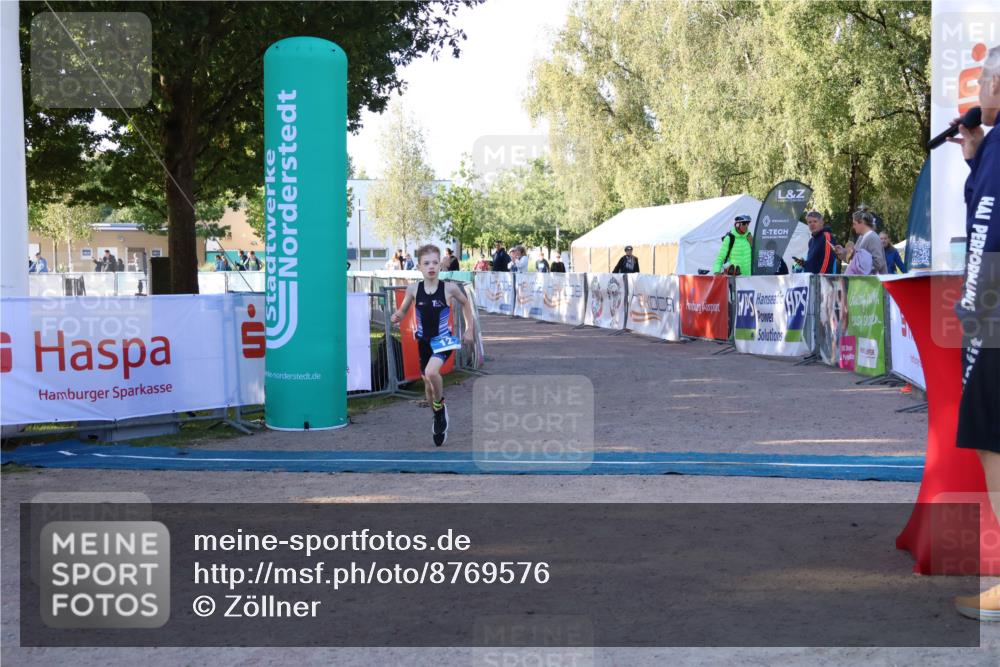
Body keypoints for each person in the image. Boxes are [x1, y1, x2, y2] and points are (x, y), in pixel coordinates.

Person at [949, 44, 1000, 622]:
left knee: (991, 438)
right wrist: (973, 159)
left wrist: (974, 306)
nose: (978, 90)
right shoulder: (992, 148)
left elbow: (986, 228)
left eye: (985, 79)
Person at [390, 244, 475, 447]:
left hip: (444, 340)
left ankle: (440, 404)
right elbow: (402, 311)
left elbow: (465, 303)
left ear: (440, 265)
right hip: (424, 342)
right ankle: (438, 414)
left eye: (435, 262)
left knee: (431, 373)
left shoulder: (449, 288)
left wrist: (469, 328)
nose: (431, 266)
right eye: (426, 263)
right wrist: (397, 316)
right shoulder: (413, 289)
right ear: (419, 266)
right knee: (428, 388)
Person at [835, 210, 887, 275]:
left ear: (862, 222)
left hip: (873, 283)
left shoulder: (873, 238)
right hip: (865, 282)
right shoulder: (861, 237)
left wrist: (860, 268)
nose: (853, 227)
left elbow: (878, 263)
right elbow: (854, 260)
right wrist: (842, 252)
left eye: (854, 224)